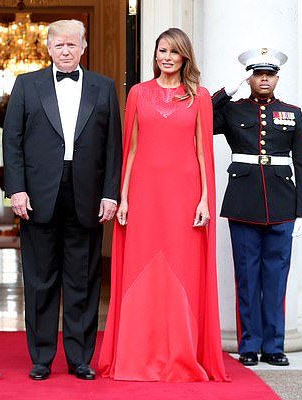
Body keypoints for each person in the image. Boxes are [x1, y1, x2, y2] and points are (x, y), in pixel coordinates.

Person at [97, 28, 228, 382]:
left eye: (173, 52)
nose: (166, 57)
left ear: (185, 57)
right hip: (143, 194)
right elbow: (132, 148)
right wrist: (123, 197)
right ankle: (138, 355)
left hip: (185, 196)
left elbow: (203, 152)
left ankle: (183, 354)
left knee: (182, 270)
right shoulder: (138, 93)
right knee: (142, 268)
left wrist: (205, 198)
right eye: (161, 51)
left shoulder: (199, 96)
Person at [3, 19, 122, 381]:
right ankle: (41, 357)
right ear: (48, 48)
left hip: (87, 195)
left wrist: (110, 193)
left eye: (72, 45)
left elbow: (113, 146)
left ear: (83, 48)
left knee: (83, 279)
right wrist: (17, 189)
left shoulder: (103, 87)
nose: (66, 51)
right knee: (40, 279)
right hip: (38, 195)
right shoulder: (26, 85)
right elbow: (13, 141)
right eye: (59, 45)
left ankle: (79, 358)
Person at [212, 48, 302, 367]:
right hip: (243, 205)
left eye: (269, 74)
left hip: (282, 206)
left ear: (277, 78)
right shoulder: (233, 111)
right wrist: (228, 91)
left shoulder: (292, 113)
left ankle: (274, 346)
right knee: (247, 278)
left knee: (275, 280)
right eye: (257, 74)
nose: (264, 78)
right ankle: (249, 345)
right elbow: (199, 118)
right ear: (250, 77)